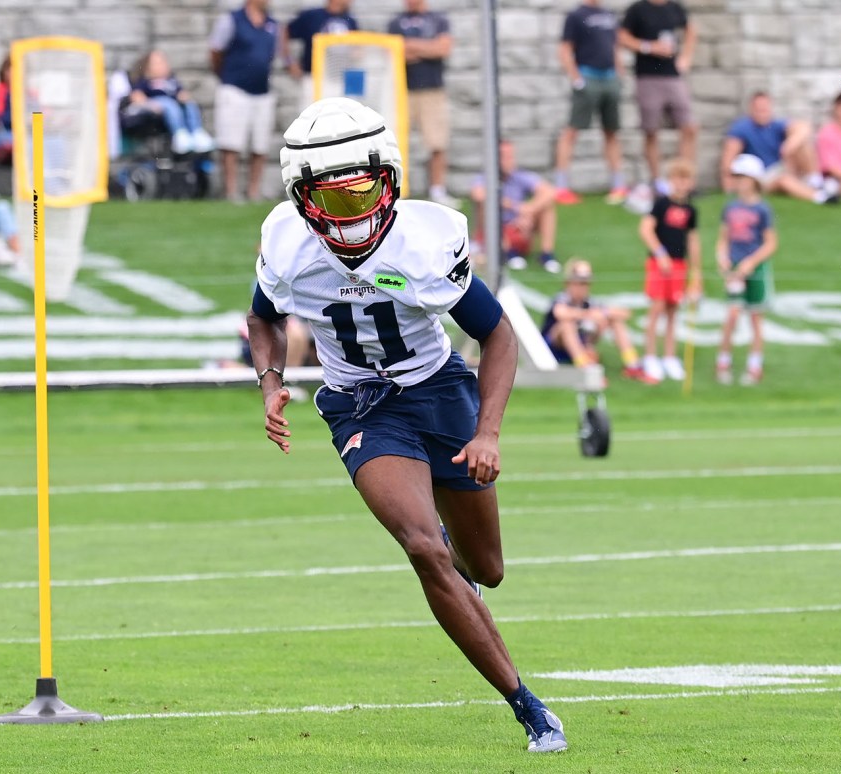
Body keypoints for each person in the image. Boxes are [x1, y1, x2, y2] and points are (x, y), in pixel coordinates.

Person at [246, 97, 568, 754]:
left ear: (389, 181)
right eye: (333, 200)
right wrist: (273, 381)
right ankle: (526, 704)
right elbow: (262, 318)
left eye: (362, 192)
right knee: (422, 547)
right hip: (361, 405)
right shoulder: (285, 244)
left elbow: (498, 335)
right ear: (303, 200)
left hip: (440, 391)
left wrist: (488, 432)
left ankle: (456, 560)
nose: (353, 211)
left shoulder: (424, 242)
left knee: (488, 568)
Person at [617, 0, 698, 196]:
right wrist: (648, 47)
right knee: (651, 131)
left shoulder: (675, 7)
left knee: (689, 127)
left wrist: (686, 57)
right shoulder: (637, 9)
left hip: (673, 76)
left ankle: (684, 181)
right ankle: (658, 182)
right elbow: (622, 37)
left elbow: (691, 30)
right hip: (647, 77)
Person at [553, 0, 628, 206]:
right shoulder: (576, 15)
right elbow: (565, 48)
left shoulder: (609, 14)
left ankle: (618, 184)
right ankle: (561, 186)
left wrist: (619, 74)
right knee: (572, 131)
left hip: (610, 78)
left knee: (611, 131)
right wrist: (576, 78)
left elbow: (614, 47)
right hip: (588, 76)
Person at [714, 153, 777, 386]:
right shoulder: (730, 207)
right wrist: (721, 257)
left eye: (743, 176)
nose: (738, 181)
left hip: (756, 269)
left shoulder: (762, 209)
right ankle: (723, 362)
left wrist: (751, 262)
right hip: (734, 269)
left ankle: (754, 366)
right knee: (731, 316)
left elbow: (770, 242)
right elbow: (723, 238)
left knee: (755, 318)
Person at [388, 0, 458, 208]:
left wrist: (410, 45)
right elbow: (394, 52)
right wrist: (427, 47)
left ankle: (437, 189)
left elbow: (443, 48)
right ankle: (397, 189)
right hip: (402, 91)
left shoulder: (438, 19)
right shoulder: (396, 22)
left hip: (432, 90)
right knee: (396, 143)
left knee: (437, 142)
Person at [637, 157, 700, 382]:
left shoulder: (691, 210)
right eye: (677, 178)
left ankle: (670, 357)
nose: (681, 184)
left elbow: (692, 240)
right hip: (659, 264)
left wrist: (696, 272)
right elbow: (646, 229)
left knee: (673, 310)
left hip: (679, 264)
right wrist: (659, 252)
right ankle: (651, 356)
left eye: (686, 179)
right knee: (657, 307)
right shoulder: (661, 204)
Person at [542, 258, 656, 382]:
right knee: (567, 325)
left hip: (581, 344)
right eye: (579, 283)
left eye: (586, 283)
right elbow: (560, 313)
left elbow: (624, 313)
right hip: (553, 347)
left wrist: (603, 314)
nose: (583, 287)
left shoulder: (589, 302)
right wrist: (589, 314)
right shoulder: (562, 298)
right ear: (569, 283)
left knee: (614, 321)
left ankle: (632, 364)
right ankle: (586, 369)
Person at [209, 0, 279, 203]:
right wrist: (226, 76)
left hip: (262, 91)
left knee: (260, 144)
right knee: (231, 143)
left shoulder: (272, 24)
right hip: (234, 88)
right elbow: (215, 52)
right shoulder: (231, 20)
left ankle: (253, 191)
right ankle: (231, 191)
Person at [720, 91, 837, 204]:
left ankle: (816, 182)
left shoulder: (776, 124)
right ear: (752, 109)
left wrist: (788, 146)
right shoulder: (741, 128)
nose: (762, 112)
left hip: (780, 167)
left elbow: (804, 128)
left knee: (802, 144)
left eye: (765, 108)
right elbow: (728, 161)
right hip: (761, 176)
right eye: (759, 109)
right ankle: (820, 197)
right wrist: (729, 188)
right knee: (783, 179)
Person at [470, 140, 560, 273]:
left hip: (520, 227)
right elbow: (479, 195)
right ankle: (505, 252)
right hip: (495, 231)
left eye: (511, 156)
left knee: (547, 207)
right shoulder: (483, 178)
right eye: (505, 157)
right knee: (487, 207)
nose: (510, 161)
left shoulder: (519, 176)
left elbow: (550, 191)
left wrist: (529, 210)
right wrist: (516, 207)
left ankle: (546, 254)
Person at [130, 50, 214, 156]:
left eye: (162, 62)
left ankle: (196, 132)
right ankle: (179, 133)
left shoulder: (171, 80)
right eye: (155, 63)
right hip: (158, 104)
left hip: (174, 104)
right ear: (147, 68)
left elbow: (180, 92)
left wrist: (184, 97)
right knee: (169, 104)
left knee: (190, 104)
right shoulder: (145, 82)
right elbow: (137, 95)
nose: (160, 66)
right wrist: (148, 104)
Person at [281, 1, 358, 109]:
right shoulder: (312, 16)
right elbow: (285, 32)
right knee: (312, 118)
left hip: (339, 79)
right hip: (313, 77)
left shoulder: (350, 20)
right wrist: (289, 61)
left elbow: (356, 49)